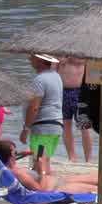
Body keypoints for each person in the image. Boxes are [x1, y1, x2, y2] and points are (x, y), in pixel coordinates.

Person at [0, 139, 102, 196]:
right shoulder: (16, 173)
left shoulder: (11, 169)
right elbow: (41, 190)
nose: (17, 153)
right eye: (15, 152)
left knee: (98, 178)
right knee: (98, 190)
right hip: (56, 188)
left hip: (58, 181)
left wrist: (38, 167)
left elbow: (34, 180)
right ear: (8, 155)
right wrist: (42, 169)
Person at [20, 55, 66, 185]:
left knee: (39, 162)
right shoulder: (56, 76)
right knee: (45, 161)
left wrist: (26, 129)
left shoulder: (39, 80)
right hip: (56, 124)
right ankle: (47, 186)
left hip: (43, 127)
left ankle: (43, 190)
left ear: (40, 61)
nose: (29, 60)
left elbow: (34, 107)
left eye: (32, 58)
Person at [57, 56, 92, 163]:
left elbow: (92, 72)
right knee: (66, 124)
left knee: (84, 126)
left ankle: (88, 159)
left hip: (80, 91)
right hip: (63, 91)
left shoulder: (84, 55)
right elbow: (53, 72)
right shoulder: (60, 54)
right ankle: (72, 157)